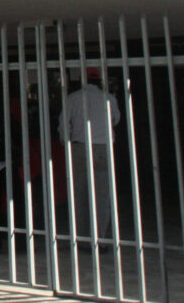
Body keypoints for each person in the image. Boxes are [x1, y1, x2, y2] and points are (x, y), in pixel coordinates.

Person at [58, 67, 121, 249]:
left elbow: (63, 123)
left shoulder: (73, 98)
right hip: (103, 147)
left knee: (79, 194)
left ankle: (81, 239)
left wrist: (66, 141)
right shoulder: (108, 98)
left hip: (80, 148)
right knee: (102, 196)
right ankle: (99, 240)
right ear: (99, 80)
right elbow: (116, 119)